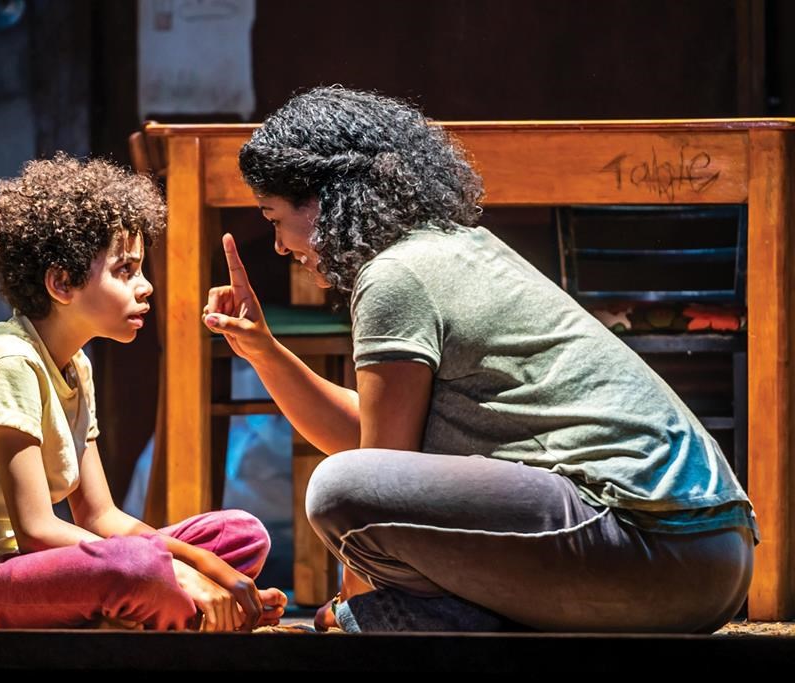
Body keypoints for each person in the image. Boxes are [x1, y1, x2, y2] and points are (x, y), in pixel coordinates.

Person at [202, 87, 758, 633]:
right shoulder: (457, 246)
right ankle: (460, 618)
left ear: (327, 200)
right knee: (353, 481)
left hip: (649, 545)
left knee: (336, 489)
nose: (278, 245)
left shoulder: (395, 275)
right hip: (714, 560)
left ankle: (424, 620)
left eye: (274, 219)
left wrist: (355, 612)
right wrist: (263, 351)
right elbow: (377, 447)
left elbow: (374, 480)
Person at [0, 154, 286, 631]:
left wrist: (209, 567)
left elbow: (100, 517)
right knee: (137, 569)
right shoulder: (10, 364)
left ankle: (152, 611)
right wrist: (173, 566)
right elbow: (36, 530)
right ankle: (169, 610)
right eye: (126, 270)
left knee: (240, 535)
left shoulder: (76, 367)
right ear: (62, 283)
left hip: (35, 574)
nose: (146, 286)